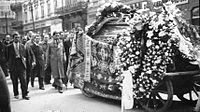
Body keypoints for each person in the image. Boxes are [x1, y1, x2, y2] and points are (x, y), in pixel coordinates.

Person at [7, 32, 30, 100]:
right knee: (14, 81)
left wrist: (25, 61)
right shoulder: (9, 47)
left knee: (23, 80)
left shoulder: (22, 46)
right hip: (13, 65)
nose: (17, 39)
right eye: (15, 37)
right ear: (13, 38)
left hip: (21, 64)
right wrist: (8, 66)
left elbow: (25, 55)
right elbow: (7, 57)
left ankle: (24, 94)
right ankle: (16, 94)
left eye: (18, 37)